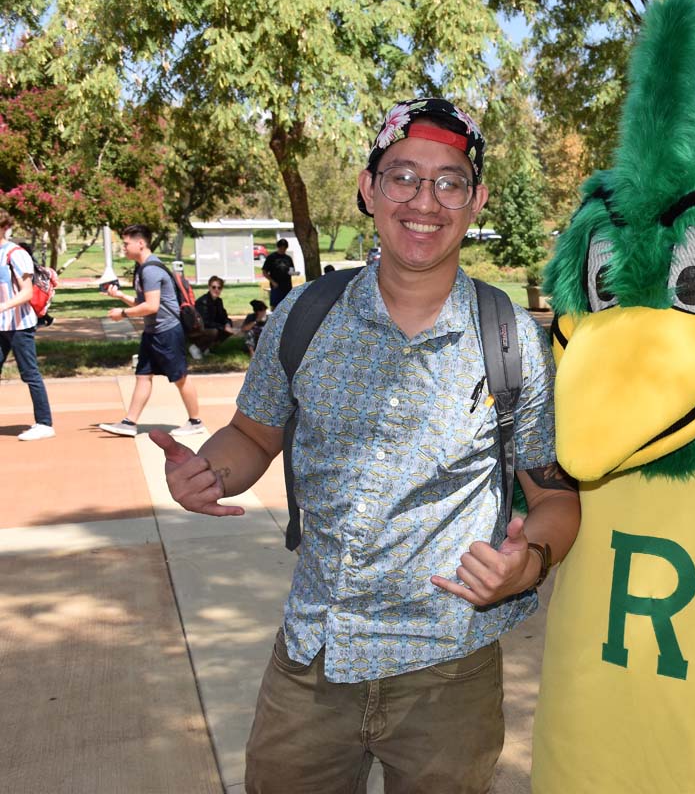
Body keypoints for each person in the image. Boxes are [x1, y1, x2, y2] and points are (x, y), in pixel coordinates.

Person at [149, 97, 580, 794]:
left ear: (476, 201)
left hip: (450, 673)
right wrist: (211, 473)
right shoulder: (306, 316)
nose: (425, 200)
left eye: (449, 182)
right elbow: (254, 436)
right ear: (369, 187)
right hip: (314, 660)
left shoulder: (512, 342)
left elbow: (555, 494)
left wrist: (529, 562)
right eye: (405, 176)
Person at [99, 225, 204, 438]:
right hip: (153, 332)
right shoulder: (143, 268)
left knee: (180, 377)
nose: (124, 248)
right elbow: (143, 302)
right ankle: (129, 422)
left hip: (167, 333)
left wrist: (123, 313)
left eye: (126, 243)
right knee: (143, 376)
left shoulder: (150, 270)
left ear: (141, 243)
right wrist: (120, 296)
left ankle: (195, 422)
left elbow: (152, 307)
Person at [0, 209, 55, 441]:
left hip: (20, 325)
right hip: (1, 325)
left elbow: (26, 293)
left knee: (30, 373)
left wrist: (2, 307)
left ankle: (44, 423)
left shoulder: (15, 254)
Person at [190, 275, 234, 358]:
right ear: (209, 287)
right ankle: (195, 347)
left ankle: (206, 348)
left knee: (227, 330)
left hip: (211, 326)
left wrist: (228, 324)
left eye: (219, 288)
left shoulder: (219, 301)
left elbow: (224, 317)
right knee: (214, 331)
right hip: (198, 328)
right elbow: (205, 322)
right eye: (214, 287)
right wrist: (223, 327)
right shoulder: (202, 302)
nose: (216, 290)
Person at [262, 239, 294, 307]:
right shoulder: (271, 258)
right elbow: (264, 272)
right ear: (278, 247)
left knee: (287, 305)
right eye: (281, 248)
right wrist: (272, 282)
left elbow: (291, 270)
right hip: (276, 286)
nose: (283, 250)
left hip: (287, 286)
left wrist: (293, 273)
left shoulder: (288, 258)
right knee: (275, 305)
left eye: (284, 248)